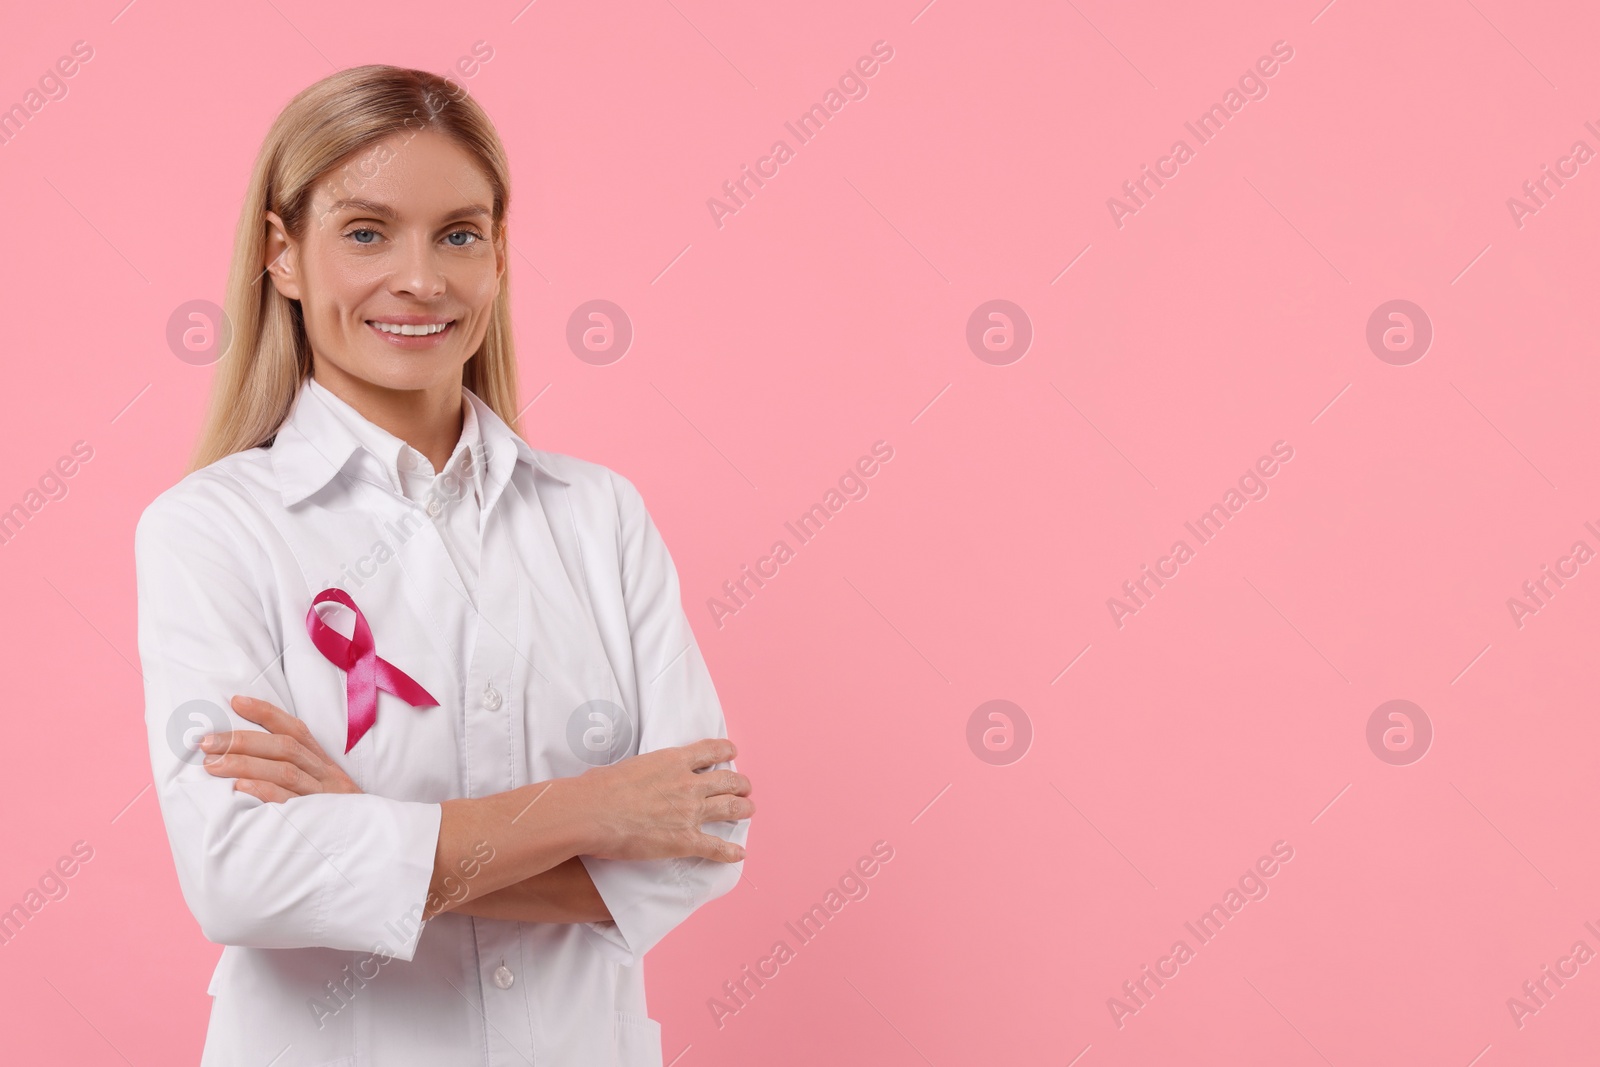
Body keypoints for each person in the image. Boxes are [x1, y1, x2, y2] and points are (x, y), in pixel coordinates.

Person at [135, 64, 753, 1066]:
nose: (421, 278)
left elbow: (702, 845)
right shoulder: (210, 529)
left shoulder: (599, 517)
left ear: (499, 254)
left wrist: (363, 830)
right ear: (282, 254)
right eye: (367, 232)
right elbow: (240, 876)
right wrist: (590, 812)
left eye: (458, 233)